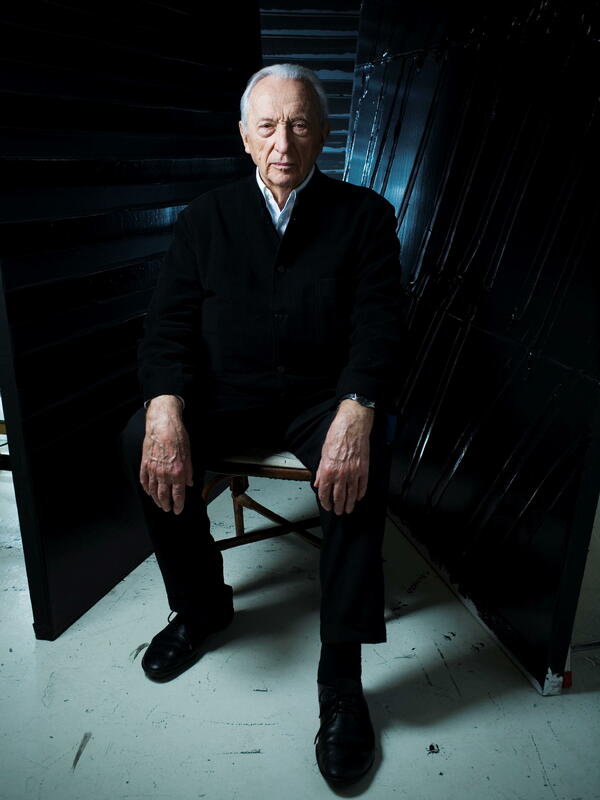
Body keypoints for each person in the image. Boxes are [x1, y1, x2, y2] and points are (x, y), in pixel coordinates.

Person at [121, 63, 407, 787]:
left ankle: (341, 678)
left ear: (323, 134)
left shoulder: (365, 215)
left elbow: (381, 325)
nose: (284, 142)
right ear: (245, 137)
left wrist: (357, 406)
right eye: (269, 126)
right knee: (138, 441)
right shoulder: (205, 218)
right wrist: (164, 405)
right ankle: (202, 608)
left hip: (319, 399)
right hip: (226, 394)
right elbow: (167, 326)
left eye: (300, 124)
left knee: (367, 457)